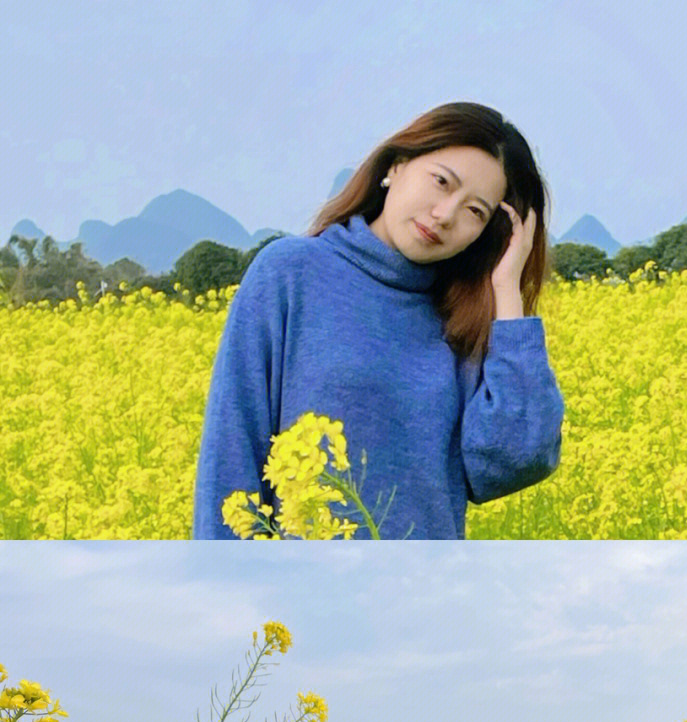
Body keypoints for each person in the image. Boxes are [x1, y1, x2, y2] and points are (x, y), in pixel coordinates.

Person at [192, 102, 564, 539]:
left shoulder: (462, 320)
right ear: (397, 165)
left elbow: (517, 459)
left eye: (475, 212)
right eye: (441, 182)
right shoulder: (290, 274)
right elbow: (232, 448)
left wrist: (506, 290)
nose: (444, 215)